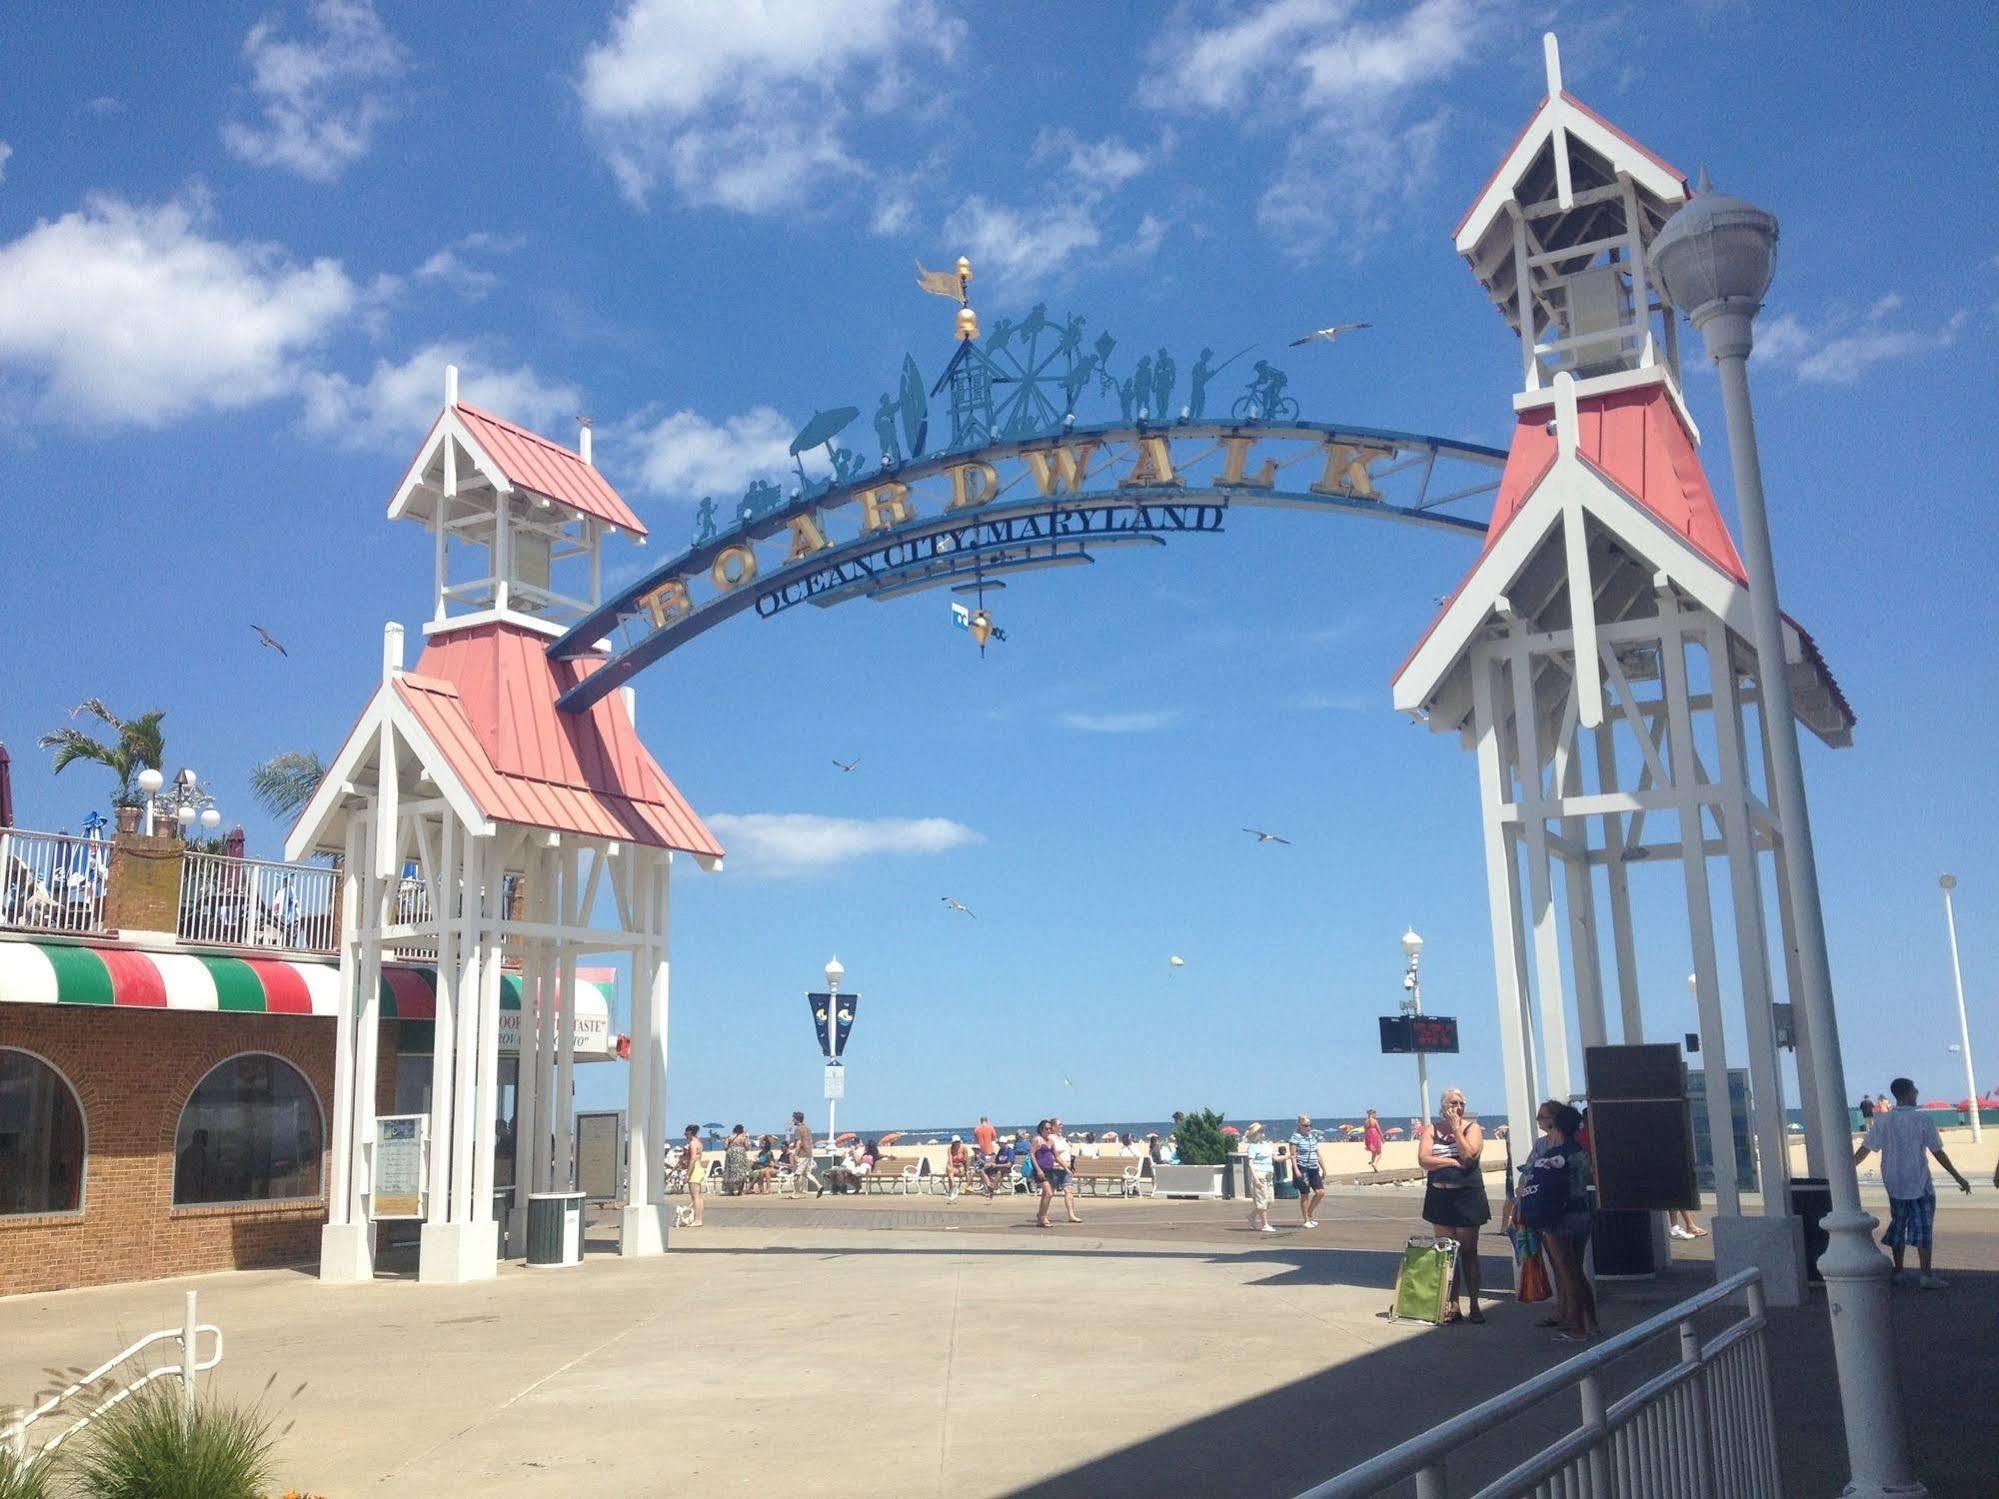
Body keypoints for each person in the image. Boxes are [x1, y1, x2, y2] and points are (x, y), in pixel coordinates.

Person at [1852, 1076, 1971, 1288]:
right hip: (1919, 1181)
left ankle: (1899, 1271)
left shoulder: (1883, 1121)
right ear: (1907, 1093)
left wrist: (1845, 1170)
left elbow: (1865, 1150)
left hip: (1894, 1181)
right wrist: (1958, 1177)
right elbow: (1937, 1152)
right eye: (1914, 1089)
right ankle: (1925, 1274)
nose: (1917, 1093)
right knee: (1923, 1227)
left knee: (1899, 1224)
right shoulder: (1923, 1120)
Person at [1515, 1102, 1599, 1342]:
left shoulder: (1552, 1155)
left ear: (1557, 1127)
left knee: (1566, 1273)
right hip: (1581, 1213)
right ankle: (1591, 1321)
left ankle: (1576, 1327)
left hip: (1556, 1218)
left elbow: (1531, 1177)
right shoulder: (1580, 1153)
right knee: (1578, 1272)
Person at [1418, 1087, 1490, 1324]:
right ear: (1443, 1107)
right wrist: (1449, 1160)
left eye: (1460, 1103)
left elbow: (1469, 1156)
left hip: (1466, 1198)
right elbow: (1424, 1159)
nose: (1457, 1107)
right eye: (1452, 1103)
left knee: (1468, 1252)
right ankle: (1453, 1304)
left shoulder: (1472, 1128)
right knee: (1447, 1253)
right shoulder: (1432, 1130)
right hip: (1440, 1198)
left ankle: (1475, 1304)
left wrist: (1457, 1129)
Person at [1289, 1115, 1326, 1228]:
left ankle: (1309, 1212)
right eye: (1305, 1125)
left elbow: (1317, 1154)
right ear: (1300, 1125)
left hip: (1313, 1167)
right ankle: (1306, 1219)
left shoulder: (1312, 1137)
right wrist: (1296, 1170)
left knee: (1320, 1192)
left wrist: (1324, 1169)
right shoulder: (1295, 1138)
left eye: (1310, 1125)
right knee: (1305, 1194)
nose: (1308, 1127)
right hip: (1302, 1167)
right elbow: (1293, 1155)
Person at [1243, 1123, 1277, 1233]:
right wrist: (1256, 1179)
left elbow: (1275, 1158)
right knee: (1262, 1201)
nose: (1263, 1133)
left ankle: (1251, 1216)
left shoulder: (1266, 1144)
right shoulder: (1252, 1147)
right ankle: (1265, 1224)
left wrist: (1289, 1156)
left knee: (1270, 1200)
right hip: (1259, 1174)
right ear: (1255, 1134)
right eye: (1260, 1131)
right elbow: (1251, 1164)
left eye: (1263, 1131)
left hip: (1269, 1175)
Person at [1050, 1118, 1082, 1223]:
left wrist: (1069, 1166)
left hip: (1066, 1169)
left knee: (1068, 1190)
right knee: (1049, 1193)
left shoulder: (1062, 1138)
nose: (1061, 1126)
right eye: (1059, 1124)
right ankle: (1042, 1213)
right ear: (1053, 1127)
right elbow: (1051, 1155)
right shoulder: (1051, 1138)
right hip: (1055, 1168)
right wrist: (1063, 1164)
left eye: (1062, 1124)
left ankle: (1071, 1215)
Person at [1032, 1120, 1061, 1228]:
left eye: (1050, 1128)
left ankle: (1040, 1218)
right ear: (1041, 1129)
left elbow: (1056, 1156)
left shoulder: (1051, 1141)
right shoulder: (1037, 1140)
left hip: (1050, 1170)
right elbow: (1032, 1155)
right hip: (1040, 1171)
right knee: (1049, 1193)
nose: (1048, 1130)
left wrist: (1066, 1168)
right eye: (1046, 1128)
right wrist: (1038, 1169)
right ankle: (1043, 1217)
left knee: (1045, 1194)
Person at [790, 1110, 822, 1199]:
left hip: (802, 1153)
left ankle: (797, 1193)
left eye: (793, 1119)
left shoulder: (798, 1129)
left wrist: (795, 1154)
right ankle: (819, 1186)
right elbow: (808, 1141)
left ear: (797, 1120)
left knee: (798, 1173)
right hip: (809, 1153)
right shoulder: (807, 1128)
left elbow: (799, 1142)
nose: (793, 1121)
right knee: (806, 1173)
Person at [680, 1125, 705, 1227]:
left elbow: (693, 1158)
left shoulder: (693, 1143)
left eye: (686, 1133)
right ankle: (698, 1218)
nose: (685, 1135)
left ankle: (697, 1220)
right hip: (699, 1168)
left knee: (695, 1197)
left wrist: (688, 1174)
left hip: (695, 1170)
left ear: (690, 1132)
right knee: (698, 1197)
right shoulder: (699, 1142)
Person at [723, 1125, 752, 1196]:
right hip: (740, 1154)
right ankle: (740, 1191)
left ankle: (730, 1191)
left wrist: (731, 1149)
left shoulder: (729, 1136)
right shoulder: (743, 1137)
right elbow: (747, 1147)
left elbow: (725, 1146)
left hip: (731, 1154)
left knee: (730, 1171)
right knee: (741, 1171)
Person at [945, 1136, 973, 1200]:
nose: (957, 1143)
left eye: (958, 1142)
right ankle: (953, 1185)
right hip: (953, 1167)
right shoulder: (950, 1149)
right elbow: (950, 1159)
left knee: (950, 1172)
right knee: (949, 1170)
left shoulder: (964, 1148)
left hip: (961, 1167)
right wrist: (951, 1167)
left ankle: (952, 1189)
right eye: (955, 1142)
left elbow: (966, 1160)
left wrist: (962, 1165)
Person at [1364, 1108, 1384, 1173]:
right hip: (1375, 1135)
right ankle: (1375, 1163)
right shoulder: (1374, 1121)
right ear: (1373, 1114)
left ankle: (1374, 1168)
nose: (1376, 1115)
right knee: (1379, 1153)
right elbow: (1379, 1129)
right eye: (1375, 1114)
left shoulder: (1366, 1121)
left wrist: (1366, 1140)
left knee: (1373, 1153)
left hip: (1369, 1136)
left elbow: (1365, 1131)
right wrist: (1382, 1138)